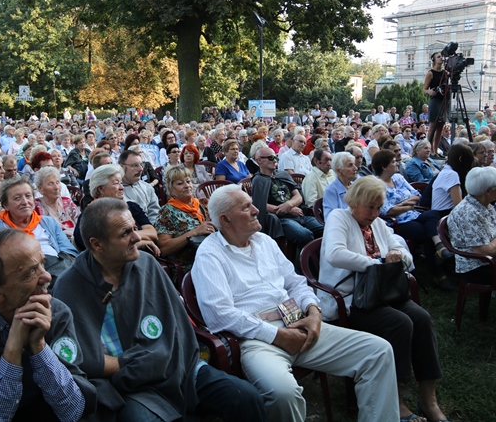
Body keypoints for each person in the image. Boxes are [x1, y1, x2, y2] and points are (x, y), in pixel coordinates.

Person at [191, 184, 399, 422]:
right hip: (257, 340)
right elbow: (219, 314)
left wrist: (314, 311)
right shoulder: (210, 255)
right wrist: (278, 336)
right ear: (225, 220)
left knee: (378, 352)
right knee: (283, 394)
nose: (256, 210)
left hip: (298, 323)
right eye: (246, 207)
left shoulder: (264, 241)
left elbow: (295, 282)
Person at [53, 198, 266, 422]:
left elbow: (176, 330)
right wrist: (133, 365)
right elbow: (76, 357)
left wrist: (153, 360)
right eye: (125, 233)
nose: (137, 238)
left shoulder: (146, 264)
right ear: (97, 244)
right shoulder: (69, 287)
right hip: (125, 384)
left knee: (245, 397)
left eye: (135, 228)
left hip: (175, 367)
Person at [319, 176, 448, 422]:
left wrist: (397, 253)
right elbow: (335, 254)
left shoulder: (376, 223)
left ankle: (428, 399)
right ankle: (395, 400)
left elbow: (400, 249)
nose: (375, 213)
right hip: (350, 299)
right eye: (371, 207)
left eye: (379, 207)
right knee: (400, 323)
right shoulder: (339, 217)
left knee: (421, 318)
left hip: (381, 292)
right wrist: (378, 262)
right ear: (355, 201)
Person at [0, 229, 97, 422]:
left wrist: (39, 346)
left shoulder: (56, 313)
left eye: (43, 263)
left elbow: (73, 411)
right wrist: (12, 351)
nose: (47, 276)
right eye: (31, 272)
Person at [0, 176, 79, 284]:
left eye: (28, 196)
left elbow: (69, 252)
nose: (25, 202)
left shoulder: (48, 222)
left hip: (55, 272)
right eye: (17, 198)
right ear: (5, 205)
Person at [372, 150, 451, 284]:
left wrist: (401, 204)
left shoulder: (398, 178)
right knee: (427, 232)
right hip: (398, 222)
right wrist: (408, 206)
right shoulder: (377, 185)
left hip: (413, 214)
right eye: (393, 162)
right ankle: (438, 271)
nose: (397, 163)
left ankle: (439, 249)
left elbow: (417, 195)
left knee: (433, 214)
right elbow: (387, 211)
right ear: (384, 166)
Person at [74, 164, 159, 254]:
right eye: (116, 183)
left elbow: (153, 233)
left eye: (121, 183)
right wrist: (139, 243)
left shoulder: (131, 207)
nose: (122, 187)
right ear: (100, 189)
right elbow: (100, 250)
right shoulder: (89, 217)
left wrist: (124, 238)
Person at [252, 147, 323, 248]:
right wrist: (288, 210)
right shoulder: (258, 180)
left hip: (300, 215)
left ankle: (324, 256)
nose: (275, 160)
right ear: (259, 160)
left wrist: (289, 204)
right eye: (271, 158)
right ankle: (309, 257)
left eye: (276, 157)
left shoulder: (283, 174)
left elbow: (298, 196)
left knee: (325, 229)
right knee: (304, 235)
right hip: (281, 219)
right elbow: (260, 205)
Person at [154, 166, 215, 272]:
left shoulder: (201, 204)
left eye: (188, 181)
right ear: (171, 190)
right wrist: (194, 232)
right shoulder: (167, 212)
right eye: (180, 183)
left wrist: (214, 212)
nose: (187, 186)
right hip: (190, 266)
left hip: (212, 257)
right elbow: (163, 249)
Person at [448, 166, 496, 285]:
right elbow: (484, 251)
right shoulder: (469, 212)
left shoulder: (484, 204)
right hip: (477, 266)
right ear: (488, 191)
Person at [34, 166, 80, 239]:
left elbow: (81, 224)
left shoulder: (67, 202)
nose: (56, 187)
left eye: (57, 182)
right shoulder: (36, 207)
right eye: (50, 184)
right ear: (40, 189)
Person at [431, 143, 474, 216]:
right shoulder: (451, 175)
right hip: (444, 215)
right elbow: (459, 205)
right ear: (461, 159)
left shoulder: (446, 171)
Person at [119, 150, 160, 223]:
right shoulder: (115, 190)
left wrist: (150, 227)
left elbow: (155, 213)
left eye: (141, 164)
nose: (141, 169)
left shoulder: (147, 187)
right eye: (135, 165)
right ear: (122, 167)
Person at [424, 52, 448, 157]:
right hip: (435, 100)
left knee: (441, 126)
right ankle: (430, 150)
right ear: (434, 60)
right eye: (438, 57)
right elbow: (424, 89)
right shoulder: (431, 73)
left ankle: (435, 150)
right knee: (433, 125)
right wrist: (429, 91)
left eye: (442, 56)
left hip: (444, 101)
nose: (441, 58)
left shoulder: (445, 73)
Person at [323, 152, 359, 220]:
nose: (355, 168)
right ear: (339, 171)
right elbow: (330, 218)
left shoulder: (356, 187)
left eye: (354, 164)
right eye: (350, 165)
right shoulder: (331, 190)